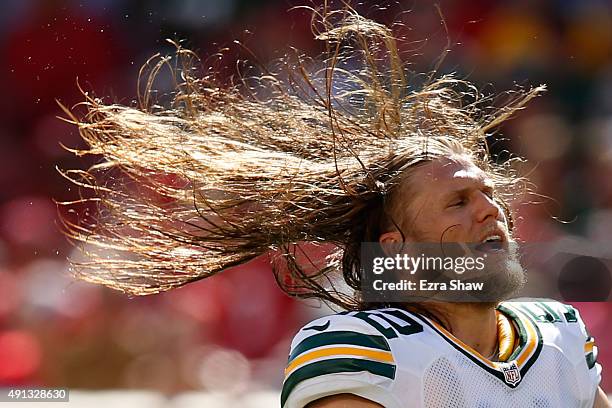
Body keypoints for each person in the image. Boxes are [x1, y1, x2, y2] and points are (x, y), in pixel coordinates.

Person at [59, 6, 608, 408]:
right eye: (458, 201)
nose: (491, 211)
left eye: (490, 195)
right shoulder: (365, 351)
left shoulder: (559, 333)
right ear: (398, 250)